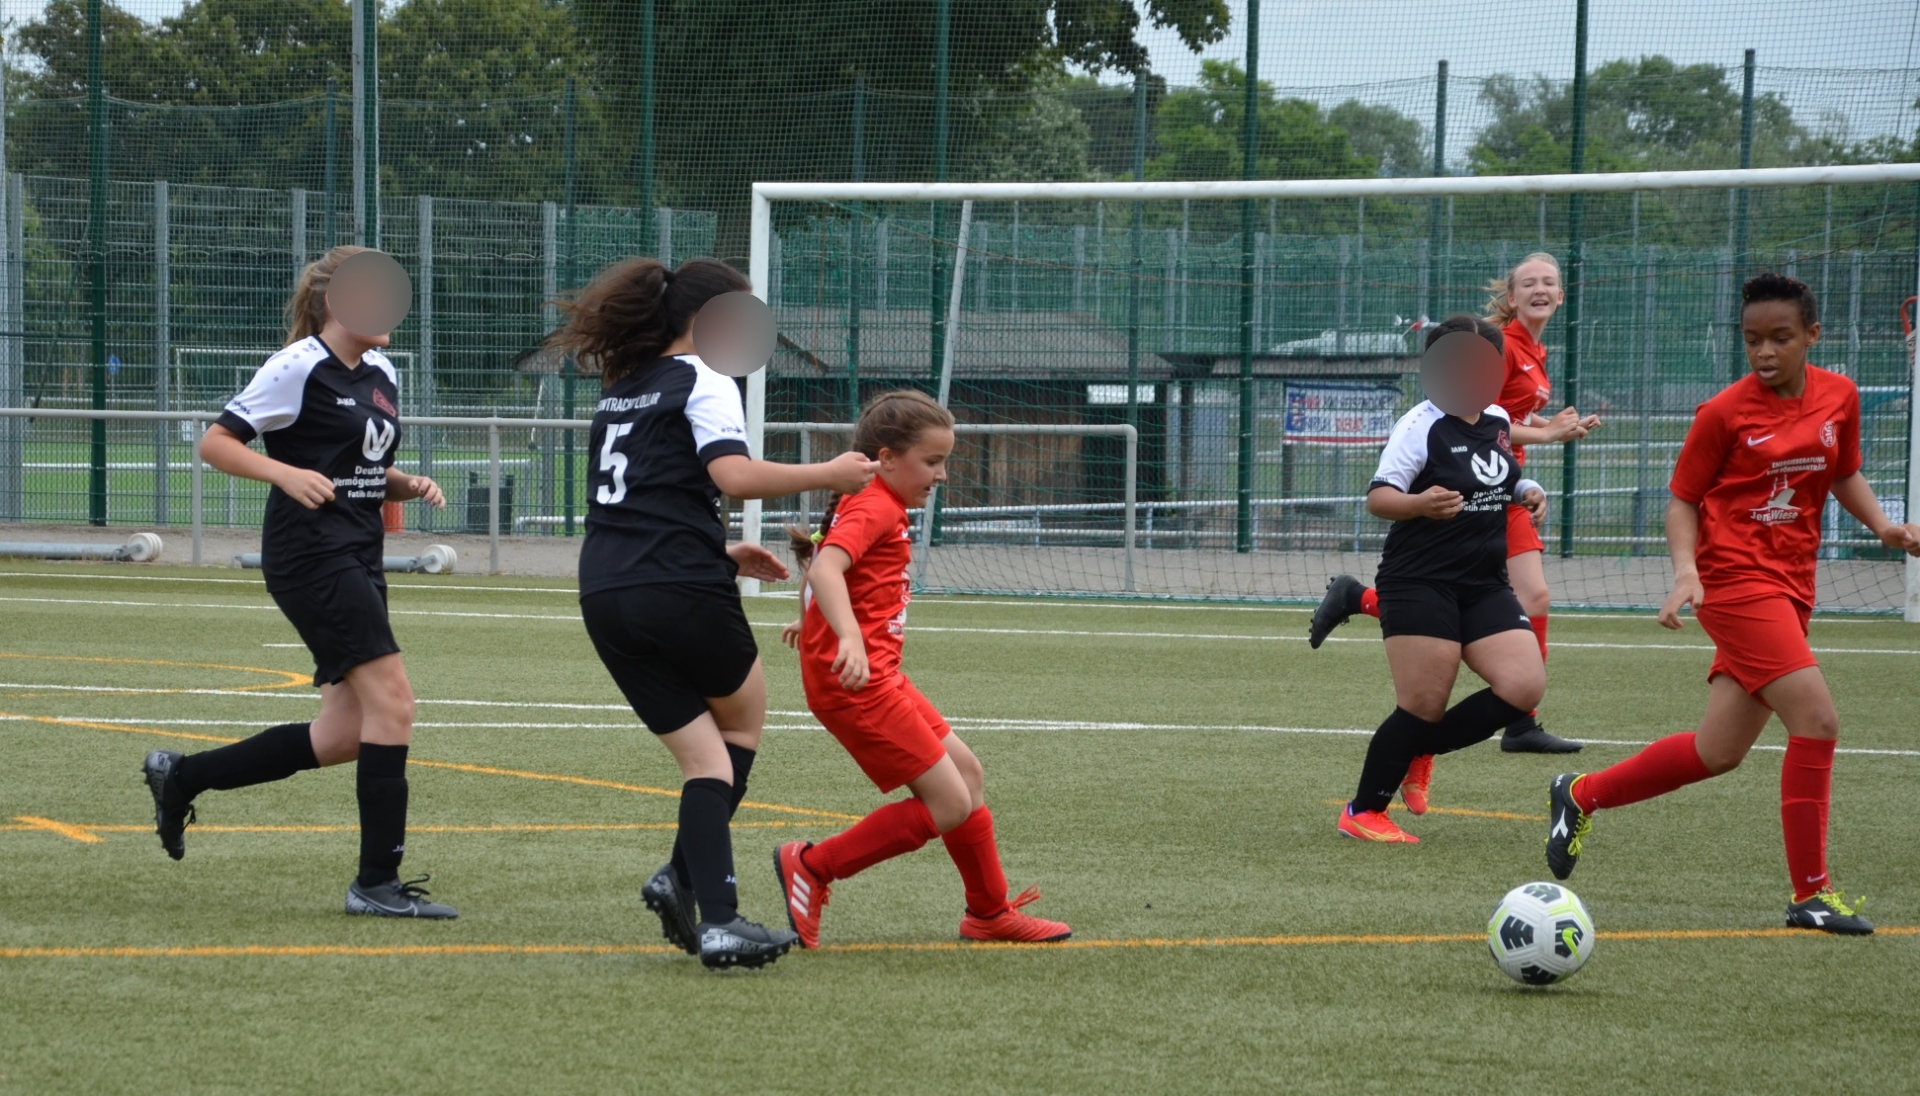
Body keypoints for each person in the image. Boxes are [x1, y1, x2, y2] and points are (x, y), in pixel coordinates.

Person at [1544, 273, 1920, 935]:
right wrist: (1686, 572)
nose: (1764, 351)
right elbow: (1682, 501)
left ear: (1812, 335)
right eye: (1752, 339)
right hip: (1733, 582)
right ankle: (1811, 895)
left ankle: (1581, 793)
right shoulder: (1722, 413)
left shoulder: (1840, 395)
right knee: (1818, 720)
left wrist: (1884, 527)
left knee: (1717, 752)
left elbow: (1843, 471)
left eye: (1780, 337)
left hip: (1793, 585)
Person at [554, 255, 878, 969]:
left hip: (605, 590)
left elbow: (638, 497)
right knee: (733, 736)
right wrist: (831, 471)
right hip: (678, 585)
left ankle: (690, 887)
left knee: (705, 757)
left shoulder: (624, 387)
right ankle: (713, 911)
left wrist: (720, 551)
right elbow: (732, 475)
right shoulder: (704, 377)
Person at [141, 245, 457, 918]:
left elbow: (355, 464)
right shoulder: (296, 365)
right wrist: (282, 473)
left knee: (342, 736)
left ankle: (183, 776)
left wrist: (404, 483)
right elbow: (216, 442)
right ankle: (375, 884)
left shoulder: (382, 371)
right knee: (395, 705)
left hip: (358, 552)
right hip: (310, 554)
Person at [772, 390, 1071, 946]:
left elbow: (825, 562)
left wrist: (813, 621)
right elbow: (829, 568)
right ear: (887, 458)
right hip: (856, 683)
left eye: (944, 461)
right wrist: (846, 637)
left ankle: (988, 914)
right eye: (932, 461)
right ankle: (812, 866)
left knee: (968, 778)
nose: (942, 475)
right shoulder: (875, 505)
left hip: (878, 675)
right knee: (950, 802)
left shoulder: (874, 500)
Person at [1310, 252, 1599, 756]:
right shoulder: (1503, 346)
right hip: (1473, 486)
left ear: (1561, 294)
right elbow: (1475, 412)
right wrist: (1547, 434)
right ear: (1511, 296)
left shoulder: (1535, 348)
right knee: (1526, 598)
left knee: (1514, 598)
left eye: (1549, 282)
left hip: (1499, 484)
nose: (1540, 289)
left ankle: (1362, 601)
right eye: (1528, 282)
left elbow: (1499, 418)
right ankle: (1516, 719)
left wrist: (1538, 456)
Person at [1338, 315, 1549, 844]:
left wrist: (1527, 490)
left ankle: (1421, 747)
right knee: (1423, 703)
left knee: (1524, 685)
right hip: (1420, 578)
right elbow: (1378, 498)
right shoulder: (1420, 425)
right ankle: (1363, 812)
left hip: (1484, 580)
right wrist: (1420, 504)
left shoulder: (1496, 417)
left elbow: (1496, 472)